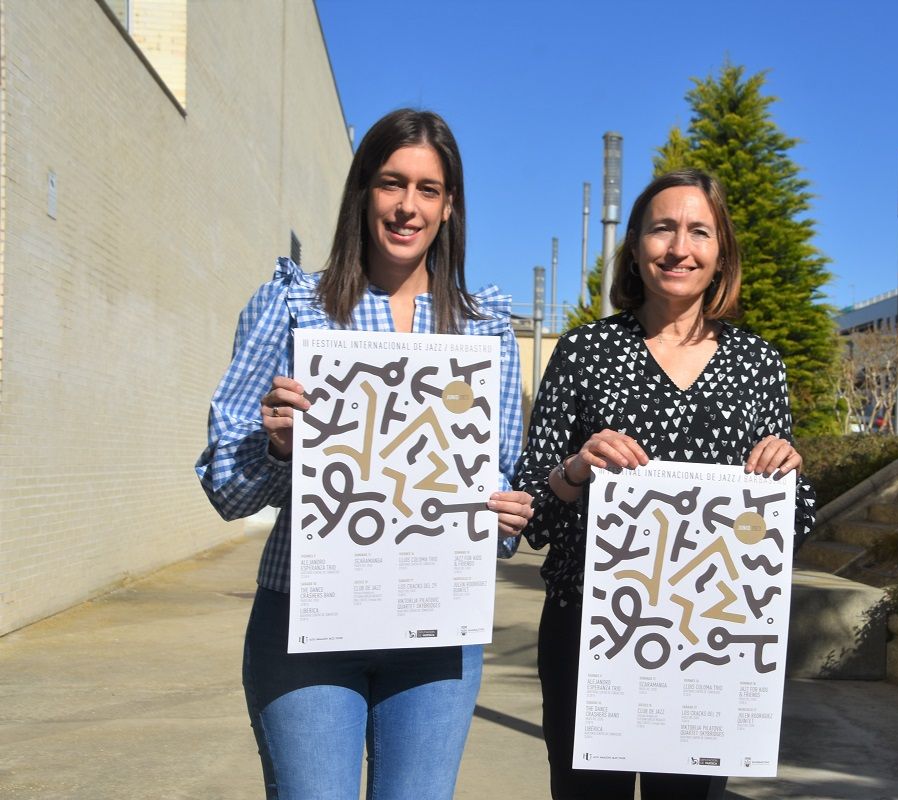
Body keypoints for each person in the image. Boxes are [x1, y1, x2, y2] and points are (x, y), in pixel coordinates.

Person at [195, 109, 532, 800]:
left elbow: (498, 483)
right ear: (363, 192)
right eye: (391, 183)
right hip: (306, 622)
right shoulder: (295, 308)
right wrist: (277, 447)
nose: (408, 206)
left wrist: (505, 512)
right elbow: (224, 485)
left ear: (450, 207)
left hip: (436, 629)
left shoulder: (484, 332)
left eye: (429, 189)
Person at [515, 168, 817, 800]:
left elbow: (790, 525)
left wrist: (786, 471)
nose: (680, 248)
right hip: (589, 634)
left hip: (708, 640)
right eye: (663, 229)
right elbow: (532, 516)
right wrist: (574, 469)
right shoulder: (581, 352)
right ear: (634, 245)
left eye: (698, 232)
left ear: (720, 252)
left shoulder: (757, 364)